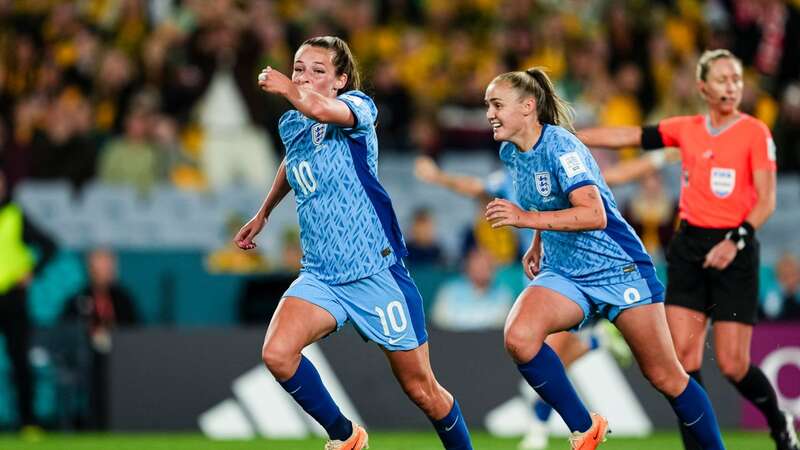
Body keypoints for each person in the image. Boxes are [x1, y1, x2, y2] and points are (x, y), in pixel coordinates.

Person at [233, 36, 473, 450]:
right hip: (322, 275)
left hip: (375, 272)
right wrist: (264, 212)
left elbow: (319, 108)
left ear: (340, 80)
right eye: (298, 68)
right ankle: (346, 437)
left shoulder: (358, 109)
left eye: (317, 71)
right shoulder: (293, 123)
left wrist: (290, 90)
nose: (304, 77)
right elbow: (293, 161)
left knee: (424, 392)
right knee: (277, 354)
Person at [483, 67, 726, 450]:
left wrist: (526, 218)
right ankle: (585, 429)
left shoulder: (563, 146)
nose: (490, 114)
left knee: (667, 378)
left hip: (618, 268)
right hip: (565, 272)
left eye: (497, 104)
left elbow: (593, 214)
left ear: (528, 107)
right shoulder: (511, 152)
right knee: (520, 336)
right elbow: (544, 200)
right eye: (487, 106)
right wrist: (537, 239)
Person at [577, 49, 799, 450]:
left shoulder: (754, 132)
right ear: (703, 87)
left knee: (733, 364)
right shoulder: (687, 129)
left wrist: (736, 240)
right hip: (690, 248)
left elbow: (765, 200)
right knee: (682, 360)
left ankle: (778, 418)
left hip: (736, 247)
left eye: (736, 79)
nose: (731, 86)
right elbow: (631, 135)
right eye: (722, 79)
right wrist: (570, 136)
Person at [0, 169, 57, 431]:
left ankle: (28, 421)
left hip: (12, 298)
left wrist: (31, 271)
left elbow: (49, 245)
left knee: (20, 359)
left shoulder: (15, 215)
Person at [61, 248, 139, 429]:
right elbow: (66, 328)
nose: (106, 269)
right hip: (88, 358)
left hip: (122, 358)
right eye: (101, 264)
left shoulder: (123, 298)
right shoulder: (79, 298)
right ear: (90, 268)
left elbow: (135, 329)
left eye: (109, 264)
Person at [431, 247, 515, 331]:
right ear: (468, 267)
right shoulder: (449, 291)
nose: (482, 270)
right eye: (478, 265)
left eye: (487, 265)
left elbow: (501, 326)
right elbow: (440, 322)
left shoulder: (503, 295)